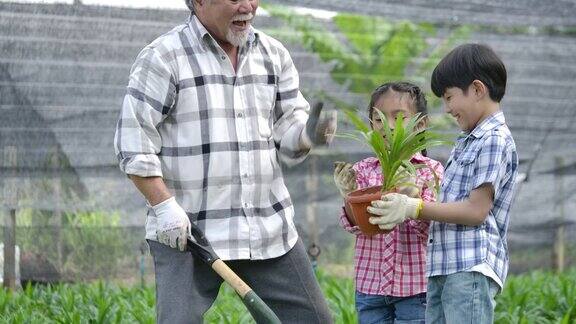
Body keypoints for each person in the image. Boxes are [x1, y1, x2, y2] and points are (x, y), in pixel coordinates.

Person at [114, 0, 336, 322]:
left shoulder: (272, 55)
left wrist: (307, 135)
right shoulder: (164, 57)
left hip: (266, 227)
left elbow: (287, 129)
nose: (247, 6)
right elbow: (134, 143)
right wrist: (163, 207)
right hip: (188, 233)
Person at [367, 44, 518, 324]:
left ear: (477, 89)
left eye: (449, 97)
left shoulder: (493, 139)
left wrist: (415, 207)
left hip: (469, 266)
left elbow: (476, 211)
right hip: (444, 266)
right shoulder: (468, 141)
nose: (447, 109)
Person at [334, 81, 444, 324]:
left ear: (421, 124)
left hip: (415, 288)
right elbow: (358, 226)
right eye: (378, 119)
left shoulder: (430, 171)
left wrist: (413, 198)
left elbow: (432, 232)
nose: (388, 126)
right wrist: (349, 195)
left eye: (399, 117)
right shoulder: (362, 170)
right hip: (370, 287)